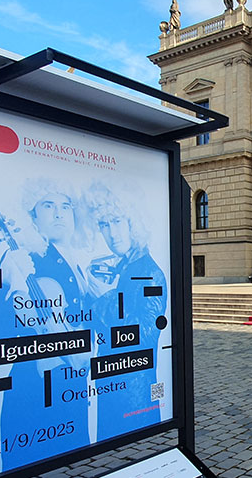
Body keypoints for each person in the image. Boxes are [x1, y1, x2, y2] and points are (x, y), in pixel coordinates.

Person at [0, 179, 91, 472]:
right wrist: (8, 286)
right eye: (48, 205)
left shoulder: (75, 261)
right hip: (33, 391)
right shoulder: (22, 260)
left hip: (71, 388)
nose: (59, 214)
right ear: (33, 216)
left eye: (65, 206)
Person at [85, 181, 167, 440]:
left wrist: (101, 299)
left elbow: (146, 334)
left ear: (134, 222)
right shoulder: (124, 266)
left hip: (134, 391)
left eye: (117, 221)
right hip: (115, 382)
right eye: (104, 225)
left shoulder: (149, 272)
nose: (112, 233)